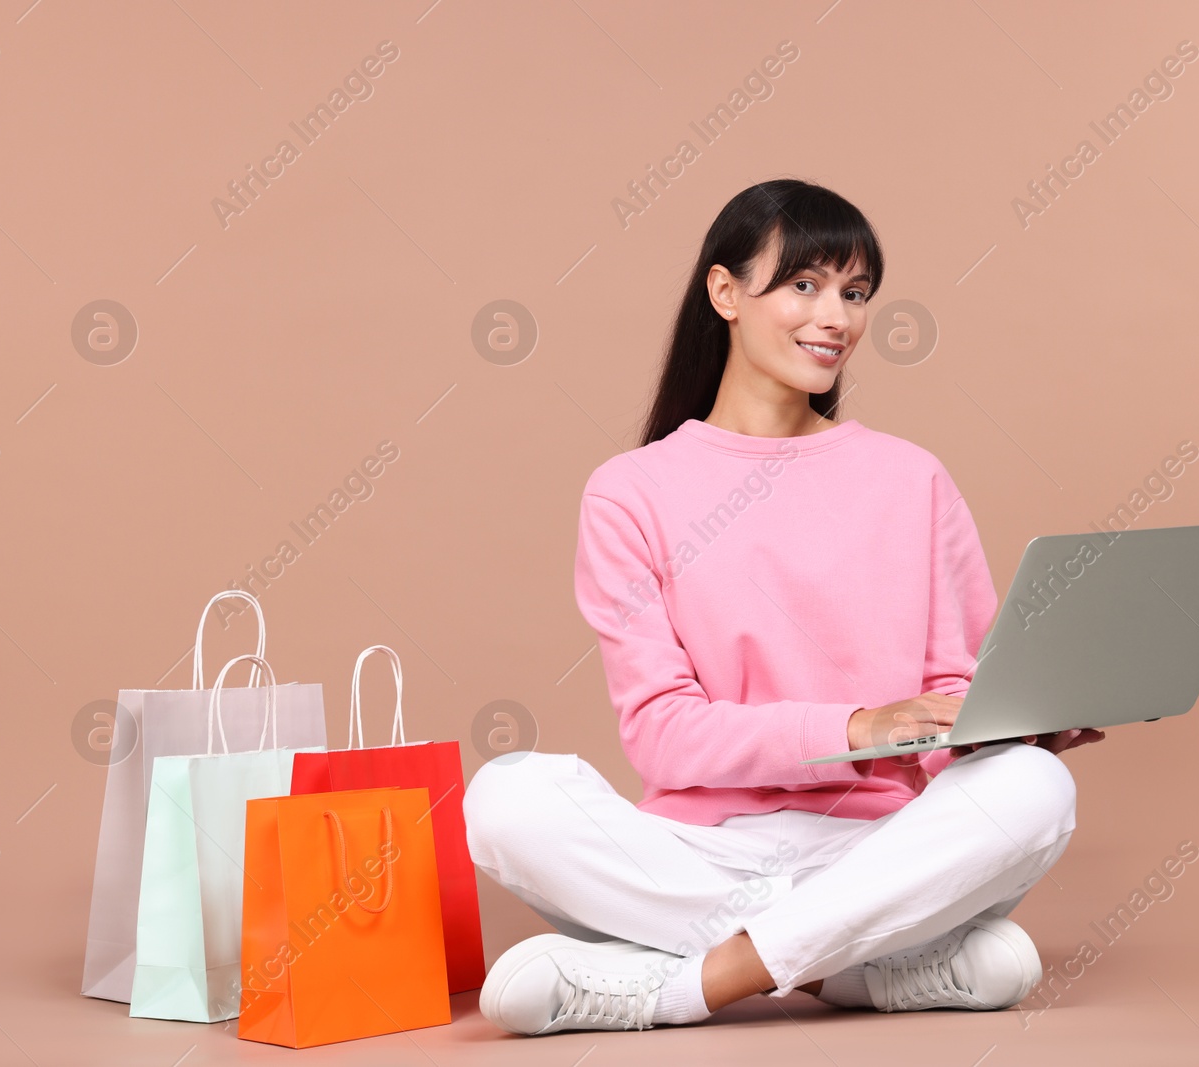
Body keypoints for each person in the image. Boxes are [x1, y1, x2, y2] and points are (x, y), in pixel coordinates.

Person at [464, 178, 1104, 1037]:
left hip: (878, 848)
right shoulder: (632, 492)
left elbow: (949, 697)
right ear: (724, 292)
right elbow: (663, 731)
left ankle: (696, 982)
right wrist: (858, 725)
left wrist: (1003, 729)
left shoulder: (911, 478)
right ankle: (845, 968)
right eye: (803, 284)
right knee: (505, 796)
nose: (834, 315)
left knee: (1035, 786)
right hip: (701, 850)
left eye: (854, 291)